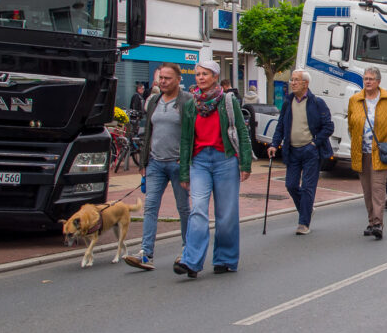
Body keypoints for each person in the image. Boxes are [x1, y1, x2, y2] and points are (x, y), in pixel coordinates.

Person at [174, 61, 252, 279]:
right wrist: (184, 171)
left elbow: (241, 132)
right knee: (198, 209)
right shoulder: (191, 104)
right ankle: (190, 261)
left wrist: (245, 163)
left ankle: (225, 259)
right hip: (199, 162)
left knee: (226, 213)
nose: (200, 77)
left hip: (225, 160)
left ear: (215, 76)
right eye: (198, 74)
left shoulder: (228, 100)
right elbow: (186, 138)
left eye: (205, 74)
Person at [125, 63, 192, 270]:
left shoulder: (188, 101)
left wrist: (186, 162)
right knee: (151, 207)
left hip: (177, 164)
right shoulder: (153, 100)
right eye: (161, 78)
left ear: (178, 80)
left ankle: (187, 251)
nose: (163, 81)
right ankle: (146, 253)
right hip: (155, 163)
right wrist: (144, 162)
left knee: (183, 209)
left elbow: (192, 133)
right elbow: (149, 132)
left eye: (167, 78)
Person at [267, 69, 334, 235]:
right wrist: (274, 144)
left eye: (296, 80)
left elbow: (328, 127)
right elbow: (281, 126)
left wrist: (314, 143)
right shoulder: (287, 102)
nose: (293, 83)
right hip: (292, 151)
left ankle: (303, 223)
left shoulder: (317, 102)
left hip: (311, 151)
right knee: (290, 185)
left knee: (307, 188)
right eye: (292, 80)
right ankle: (307, 208)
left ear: (306, 83)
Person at [347, 66, 387, 239]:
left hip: (380, 152)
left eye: (371, 79)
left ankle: (378, 223)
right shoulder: (355, 100)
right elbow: (351, 124)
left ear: (378, 81)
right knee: (367, 190)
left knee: (378, 188)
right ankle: (371, 221)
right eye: (365, 79)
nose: (368, 81)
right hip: (361, 151)